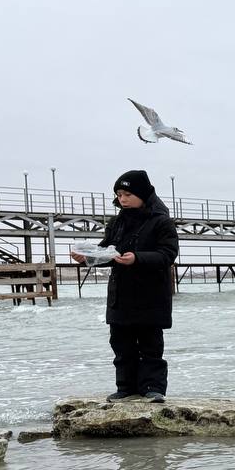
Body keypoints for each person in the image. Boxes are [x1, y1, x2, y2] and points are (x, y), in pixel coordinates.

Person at [72, 170, 179, 403]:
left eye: (128, 194)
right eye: (119, 195)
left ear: (143, 194)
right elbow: (107, 253)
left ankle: (153, 388)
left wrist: (137, 258)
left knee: (151, 345)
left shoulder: (162, 221)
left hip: (151, 295)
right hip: (120, 295)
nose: (123, 199)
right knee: (121, 345)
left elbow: (168, 254)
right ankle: (126, 387)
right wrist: (87, 257)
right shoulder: (117, 222)